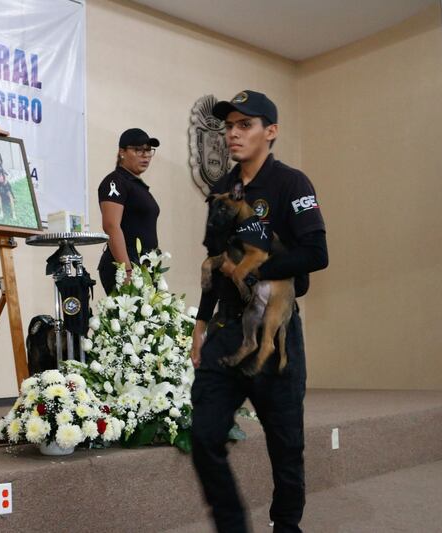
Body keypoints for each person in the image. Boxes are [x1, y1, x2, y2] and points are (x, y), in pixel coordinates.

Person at [190, 90, 329, 533]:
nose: (233, 132)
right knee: (204, 435)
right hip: (228, 329)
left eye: (244, 125)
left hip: (277, 334)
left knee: (286, 446)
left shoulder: (292, 183)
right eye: (229, 125)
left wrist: (255, 269)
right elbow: (215, 260)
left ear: (270, 132)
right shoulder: (220, 189)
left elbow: (316, 252)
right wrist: (200, 322)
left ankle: (285, 526)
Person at [97, 128, 161, 294]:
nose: (145, 155)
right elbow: (111, 226)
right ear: (122, 152)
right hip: (126, 264)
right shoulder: (115, 181)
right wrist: (125, 269)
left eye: (148, 150)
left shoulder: (137, 185)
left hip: (144, 264)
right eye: (138, 150)